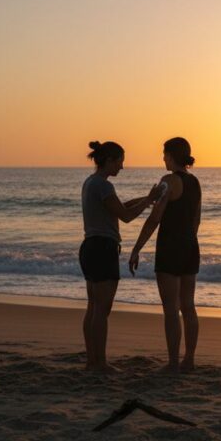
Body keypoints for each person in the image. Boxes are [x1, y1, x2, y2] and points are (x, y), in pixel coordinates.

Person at [80, 140, 161, 372]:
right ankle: (101, 363)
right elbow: (125, 216)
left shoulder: (91, 183)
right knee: (102, 310)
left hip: (90, 247)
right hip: (103, 249)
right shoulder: (104, 186)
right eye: (120, 162)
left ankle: (91, 360)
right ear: (109, 160)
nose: (122, 167)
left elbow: (118, 207)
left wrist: (146, 199)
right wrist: (148, 200)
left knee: (93, 307)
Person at [129, 137, 202, 373]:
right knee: (188, 307)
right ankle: (188, 360)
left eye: (164, 154)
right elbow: (196, 220)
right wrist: (188, 240)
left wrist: (137, 247)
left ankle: (172, 363)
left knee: (171, 308)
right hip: (190, 246)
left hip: (170, 248)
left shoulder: (167, 182)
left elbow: (154, 219)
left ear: (171, 155)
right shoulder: (195, 182)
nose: (163, 158)